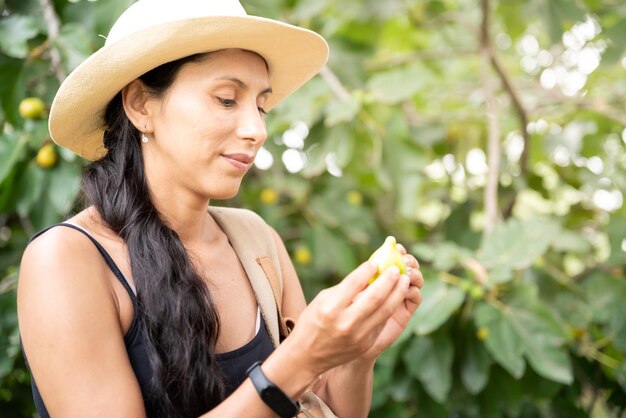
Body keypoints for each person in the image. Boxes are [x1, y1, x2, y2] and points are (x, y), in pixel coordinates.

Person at [17, 0, 424, 417]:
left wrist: (356, 356)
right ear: (140, 105)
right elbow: (293, 373)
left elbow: (327, 410)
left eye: (261, 106)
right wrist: (298, 359)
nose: (257, 130)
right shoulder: (67, 260)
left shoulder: (256, 242)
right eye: (227, 100)